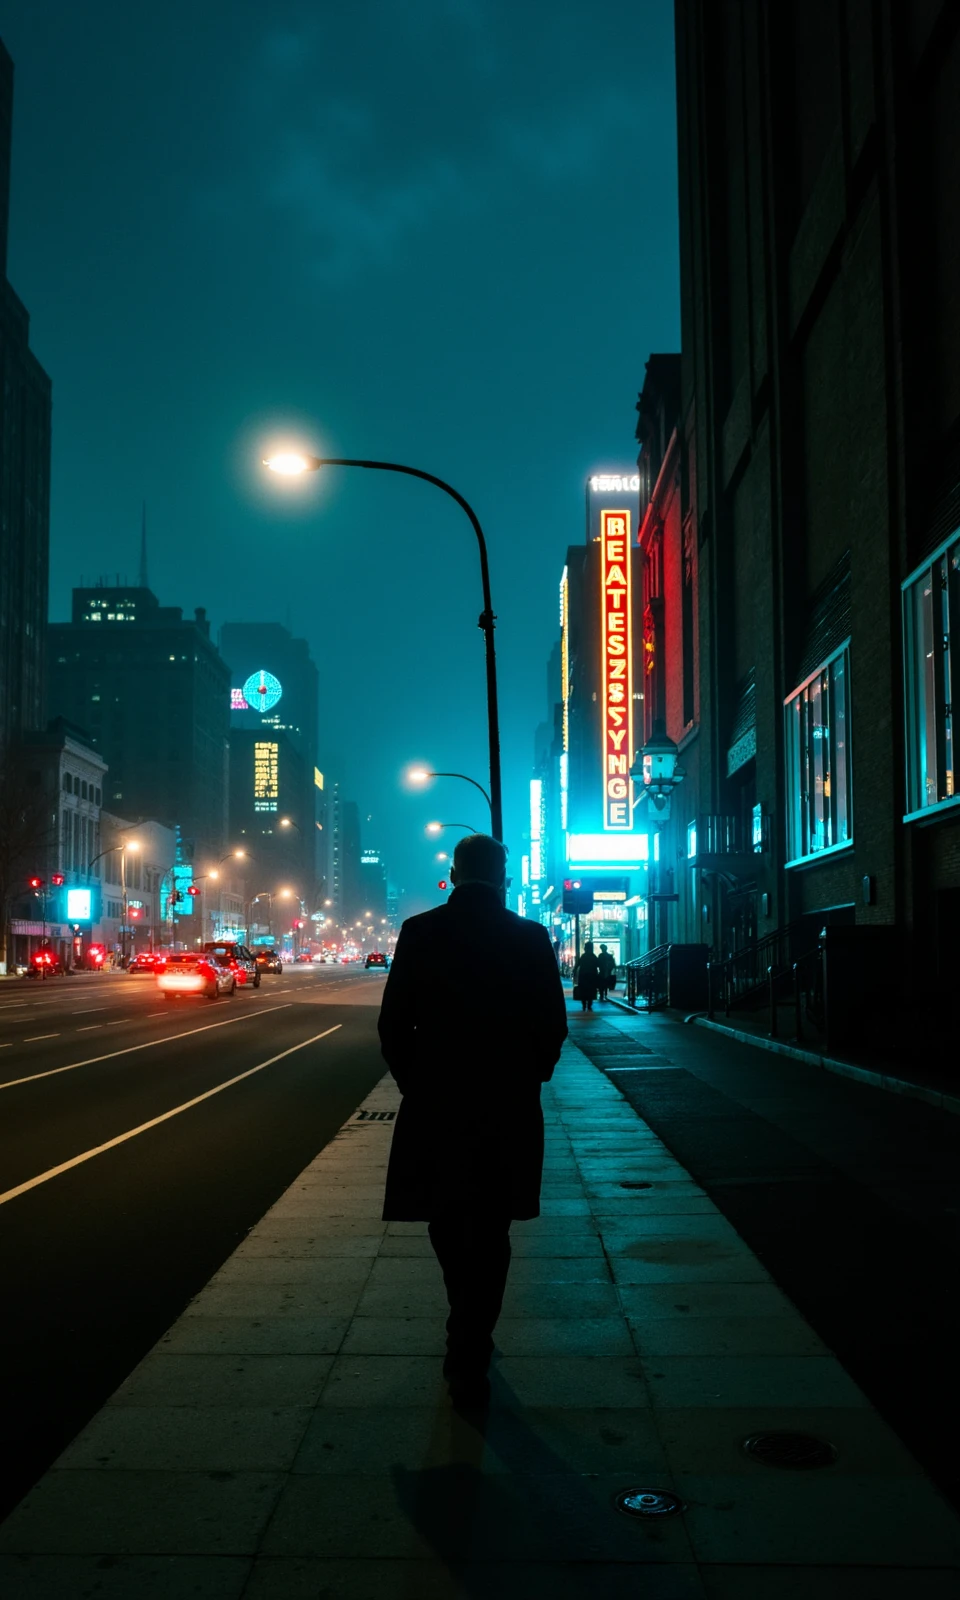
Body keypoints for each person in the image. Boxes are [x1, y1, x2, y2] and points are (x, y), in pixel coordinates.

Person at [378, 833, 568, 1406]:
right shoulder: (531, 937)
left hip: (436, 1107)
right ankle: (472, 1337)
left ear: (455, 874)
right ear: (503, 876)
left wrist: (420, 1084)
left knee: (445, 1218)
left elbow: (393, 1027)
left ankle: (464, 1326)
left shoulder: (420, 932)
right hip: (506, 1107)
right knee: (492, 1228)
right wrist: (526, 1076)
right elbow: (551, 1026)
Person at [575, 940, 599, 1011]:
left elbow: (578, 964)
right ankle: (589, 1004)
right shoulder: (593, 956)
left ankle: (584, 1004)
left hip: (583, 976)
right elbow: (598, 965)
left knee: (583, 990)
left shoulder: (583, 956)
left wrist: (575, 971)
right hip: (592, 975)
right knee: (591, 990)